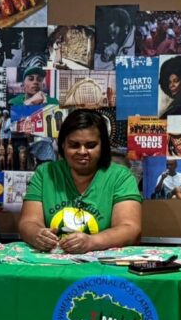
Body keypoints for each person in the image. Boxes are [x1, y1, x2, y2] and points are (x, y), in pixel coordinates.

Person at [18, 108, 142, 254]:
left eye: (91, 145)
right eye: (74, 145)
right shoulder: (45, 173)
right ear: (62, 145)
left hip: (102, 264)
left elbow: (131, 229)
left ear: (103, 146)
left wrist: (92, 242)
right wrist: (37, 235)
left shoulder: (120, 176)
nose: (82, 152)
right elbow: (28, 222)